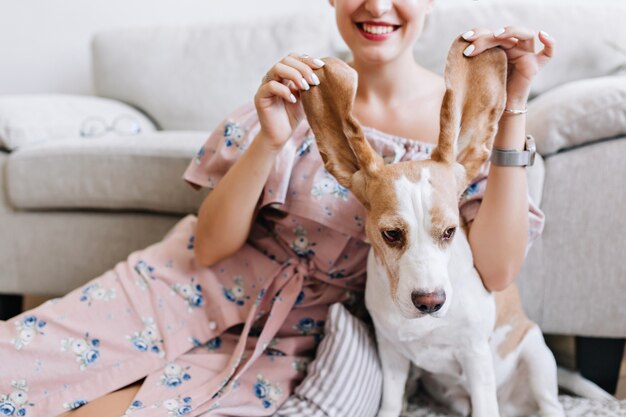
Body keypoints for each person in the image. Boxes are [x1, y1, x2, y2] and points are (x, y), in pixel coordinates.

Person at [0, 0, 554, 416]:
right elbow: (210, 247)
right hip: (193, 283)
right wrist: (270, 139)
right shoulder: (302, 92)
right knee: (20, 368)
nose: (378, 6)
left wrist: (516, 103)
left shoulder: (462, 132)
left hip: (294, 336)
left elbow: (498, 272)